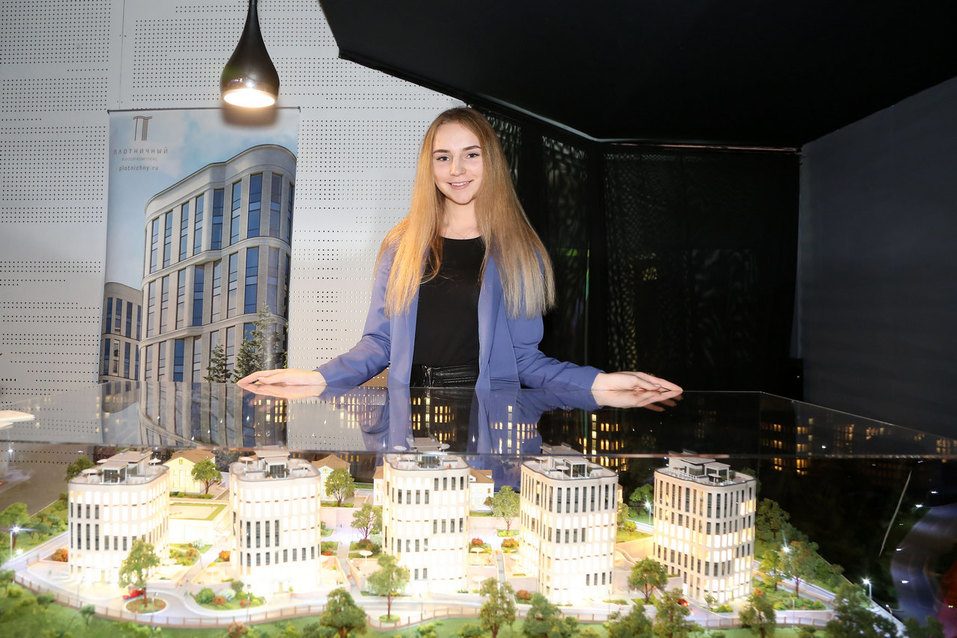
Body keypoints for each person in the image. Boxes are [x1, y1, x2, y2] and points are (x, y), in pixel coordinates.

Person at [239, 108, 680, 397]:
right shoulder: (400, 244)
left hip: (483, 417)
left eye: (471, 154)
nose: (457, 170)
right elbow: (380, 343)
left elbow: (526, 360)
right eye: (442, 157)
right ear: (429, 167)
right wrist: (316, 378)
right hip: (407, 414)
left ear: (491, 161)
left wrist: (601, 382)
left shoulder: (520, 251)